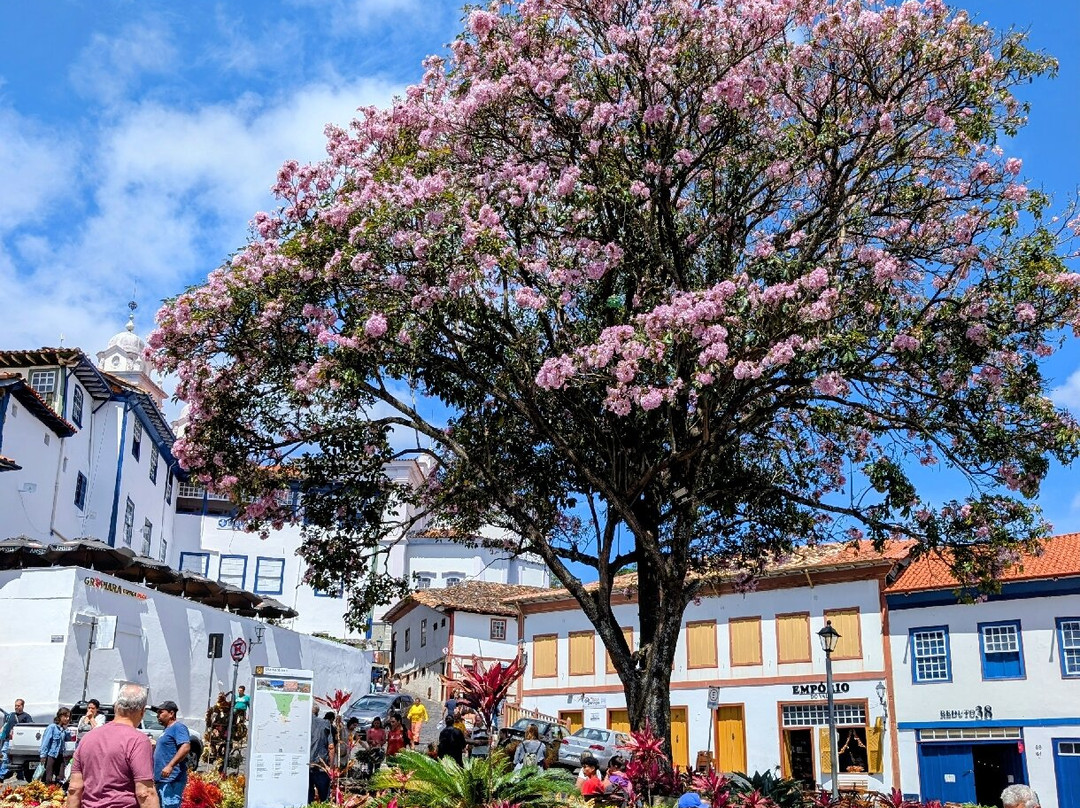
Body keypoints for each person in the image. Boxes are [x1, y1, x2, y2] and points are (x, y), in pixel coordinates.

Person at [66, 683, 158, 808]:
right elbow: (145, 793)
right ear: (142, 712)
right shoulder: (138, 741)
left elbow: (74, 788)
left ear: (116, 707)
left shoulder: (87, 739)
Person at [152, 702, 190, 808]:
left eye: (161, 712)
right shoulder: (167, 730)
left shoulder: (178, 727)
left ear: (171, 713)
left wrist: (170, 766)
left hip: (171, 780)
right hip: (162, 779)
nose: (157, 715)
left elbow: (185, 747)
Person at [0, 699, 34, 780]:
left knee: (18, 758)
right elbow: (6, 724)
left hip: (19, 742)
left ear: (22, 706)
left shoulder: (26, 716)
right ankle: (1, 775)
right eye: (15, 705)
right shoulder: (11, 715)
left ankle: (19, 775)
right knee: (5, 756)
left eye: (18, 705)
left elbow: (30, 728)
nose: (16, 707)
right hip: (8, 740)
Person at [39, 707, 71, 784]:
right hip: (51, 755)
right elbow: (45, 741)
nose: (67, 719)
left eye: (69, 717)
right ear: (60, 716)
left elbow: (68, 738)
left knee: (61, 776)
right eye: (66, 716)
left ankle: (58, 792)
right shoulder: (52, 727)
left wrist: (66, 729)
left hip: (60, 755)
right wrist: (43, 755)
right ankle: (46, 792)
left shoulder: (63, 729)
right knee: (48, 777)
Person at [309, 705, 334, 803]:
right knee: (324, 799)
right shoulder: (325, 723)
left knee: (307, 799)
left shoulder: (300, 723)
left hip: (304, 768)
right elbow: (331, 747)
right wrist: (331, 767)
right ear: (318, 712)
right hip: (321, 767)